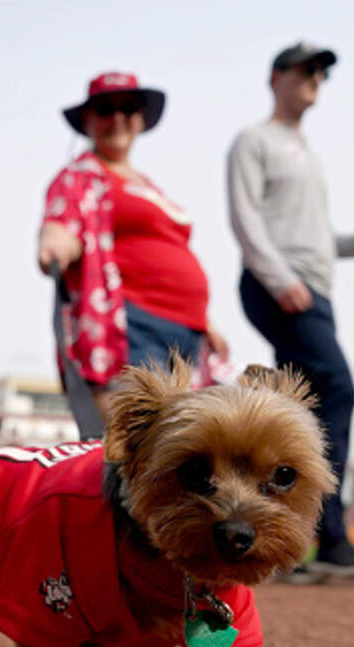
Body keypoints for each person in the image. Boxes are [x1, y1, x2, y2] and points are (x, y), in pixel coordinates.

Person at [227, 43, 354, 581]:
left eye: (321, 72)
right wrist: (280, 280)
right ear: (275, 77)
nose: (316, 78)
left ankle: (284, 541)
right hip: (281, 286)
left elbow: (317, 236)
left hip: (314, 288)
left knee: (301, 408)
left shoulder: (309, 155)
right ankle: (331, 536)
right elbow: (246, 219)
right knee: (337, 390)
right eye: (305, 70)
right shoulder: (254, 141)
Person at [36, 72, 228, 417]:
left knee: (185, 435)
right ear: (88, 120)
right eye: (105, 110)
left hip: (186, 330)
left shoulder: (149, 186)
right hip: (133, 325)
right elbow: (62, 224)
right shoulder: (79, 177)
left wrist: (206, 322)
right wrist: (55, 243)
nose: (118, 118)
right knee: (142, 433)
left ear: (140, 118)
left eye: (127, 108)